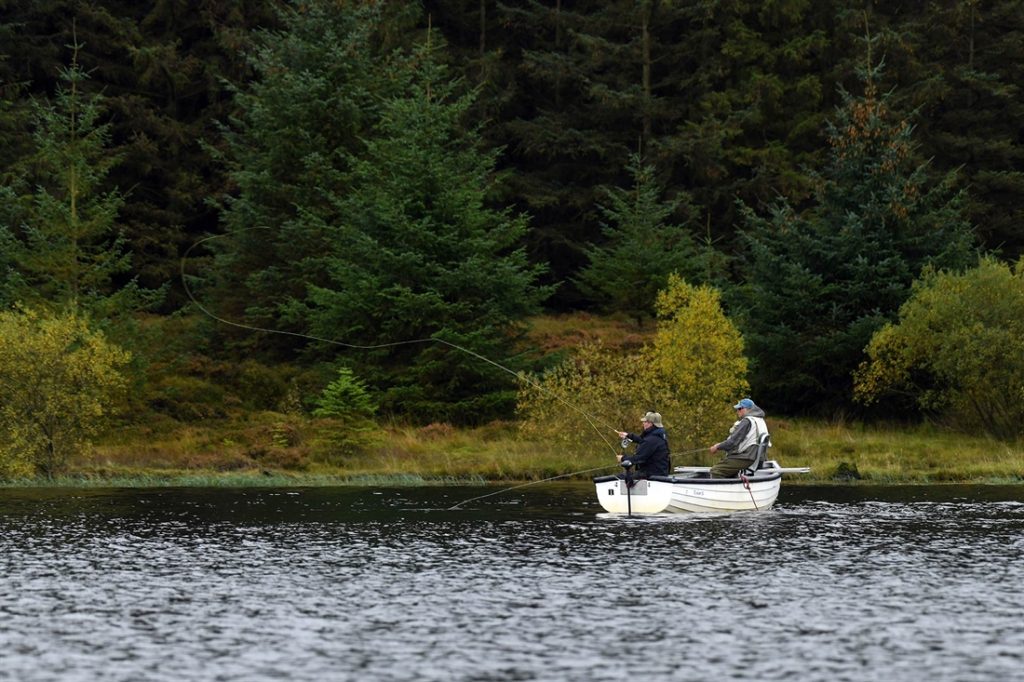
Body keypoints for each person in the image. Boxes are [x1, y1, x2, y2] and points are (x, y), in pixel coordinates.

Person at [708, 398, 768, 478]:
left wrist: (717, 447)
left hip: (746, 457)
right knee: (730, 472)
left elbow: (732, 442)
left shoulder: (746, 421)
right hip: (755, 458)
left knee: (715, 471)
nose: (737, 411)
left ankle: (723, 490)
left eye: (740, 408)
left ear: (747, 409)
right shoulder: (760, 420)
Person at [615, 411, 671, 477]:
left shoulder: (651, 440)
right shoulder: (658, 435)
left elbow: (639, 458)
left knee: (618, 478)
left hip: (651, 475)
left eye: (645, 422)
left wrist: (623, 458)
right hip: (659, 472)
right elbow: (642, 441)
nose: (643, 423)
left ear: (651, 424)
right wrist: (628, 436)